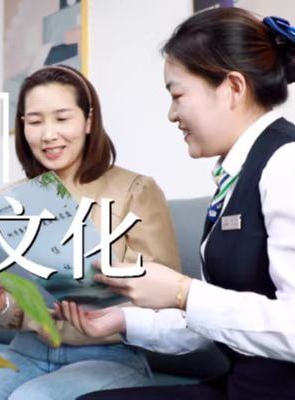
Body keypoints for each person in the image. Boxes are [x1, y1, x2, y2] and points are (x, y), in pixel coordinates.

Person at [58, 8, 295, 400]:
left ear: (233, 87)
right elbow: (215, 321)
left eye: (177, 95)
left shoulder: (286, 164)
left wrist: (183, 292)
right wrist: (121, 320)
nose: (172, 115)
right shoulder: (237, 175)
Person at [0, 64, 181, 400]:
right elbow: (2, 310)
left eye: (61, 118)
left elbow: (168, 298)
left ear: (88, 121)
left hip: (108, 355)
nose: (48, 135)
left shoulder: (136, 190)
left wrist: (106, 309)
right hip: (26, 350)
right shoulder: (6, 203)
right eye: (35, 121)